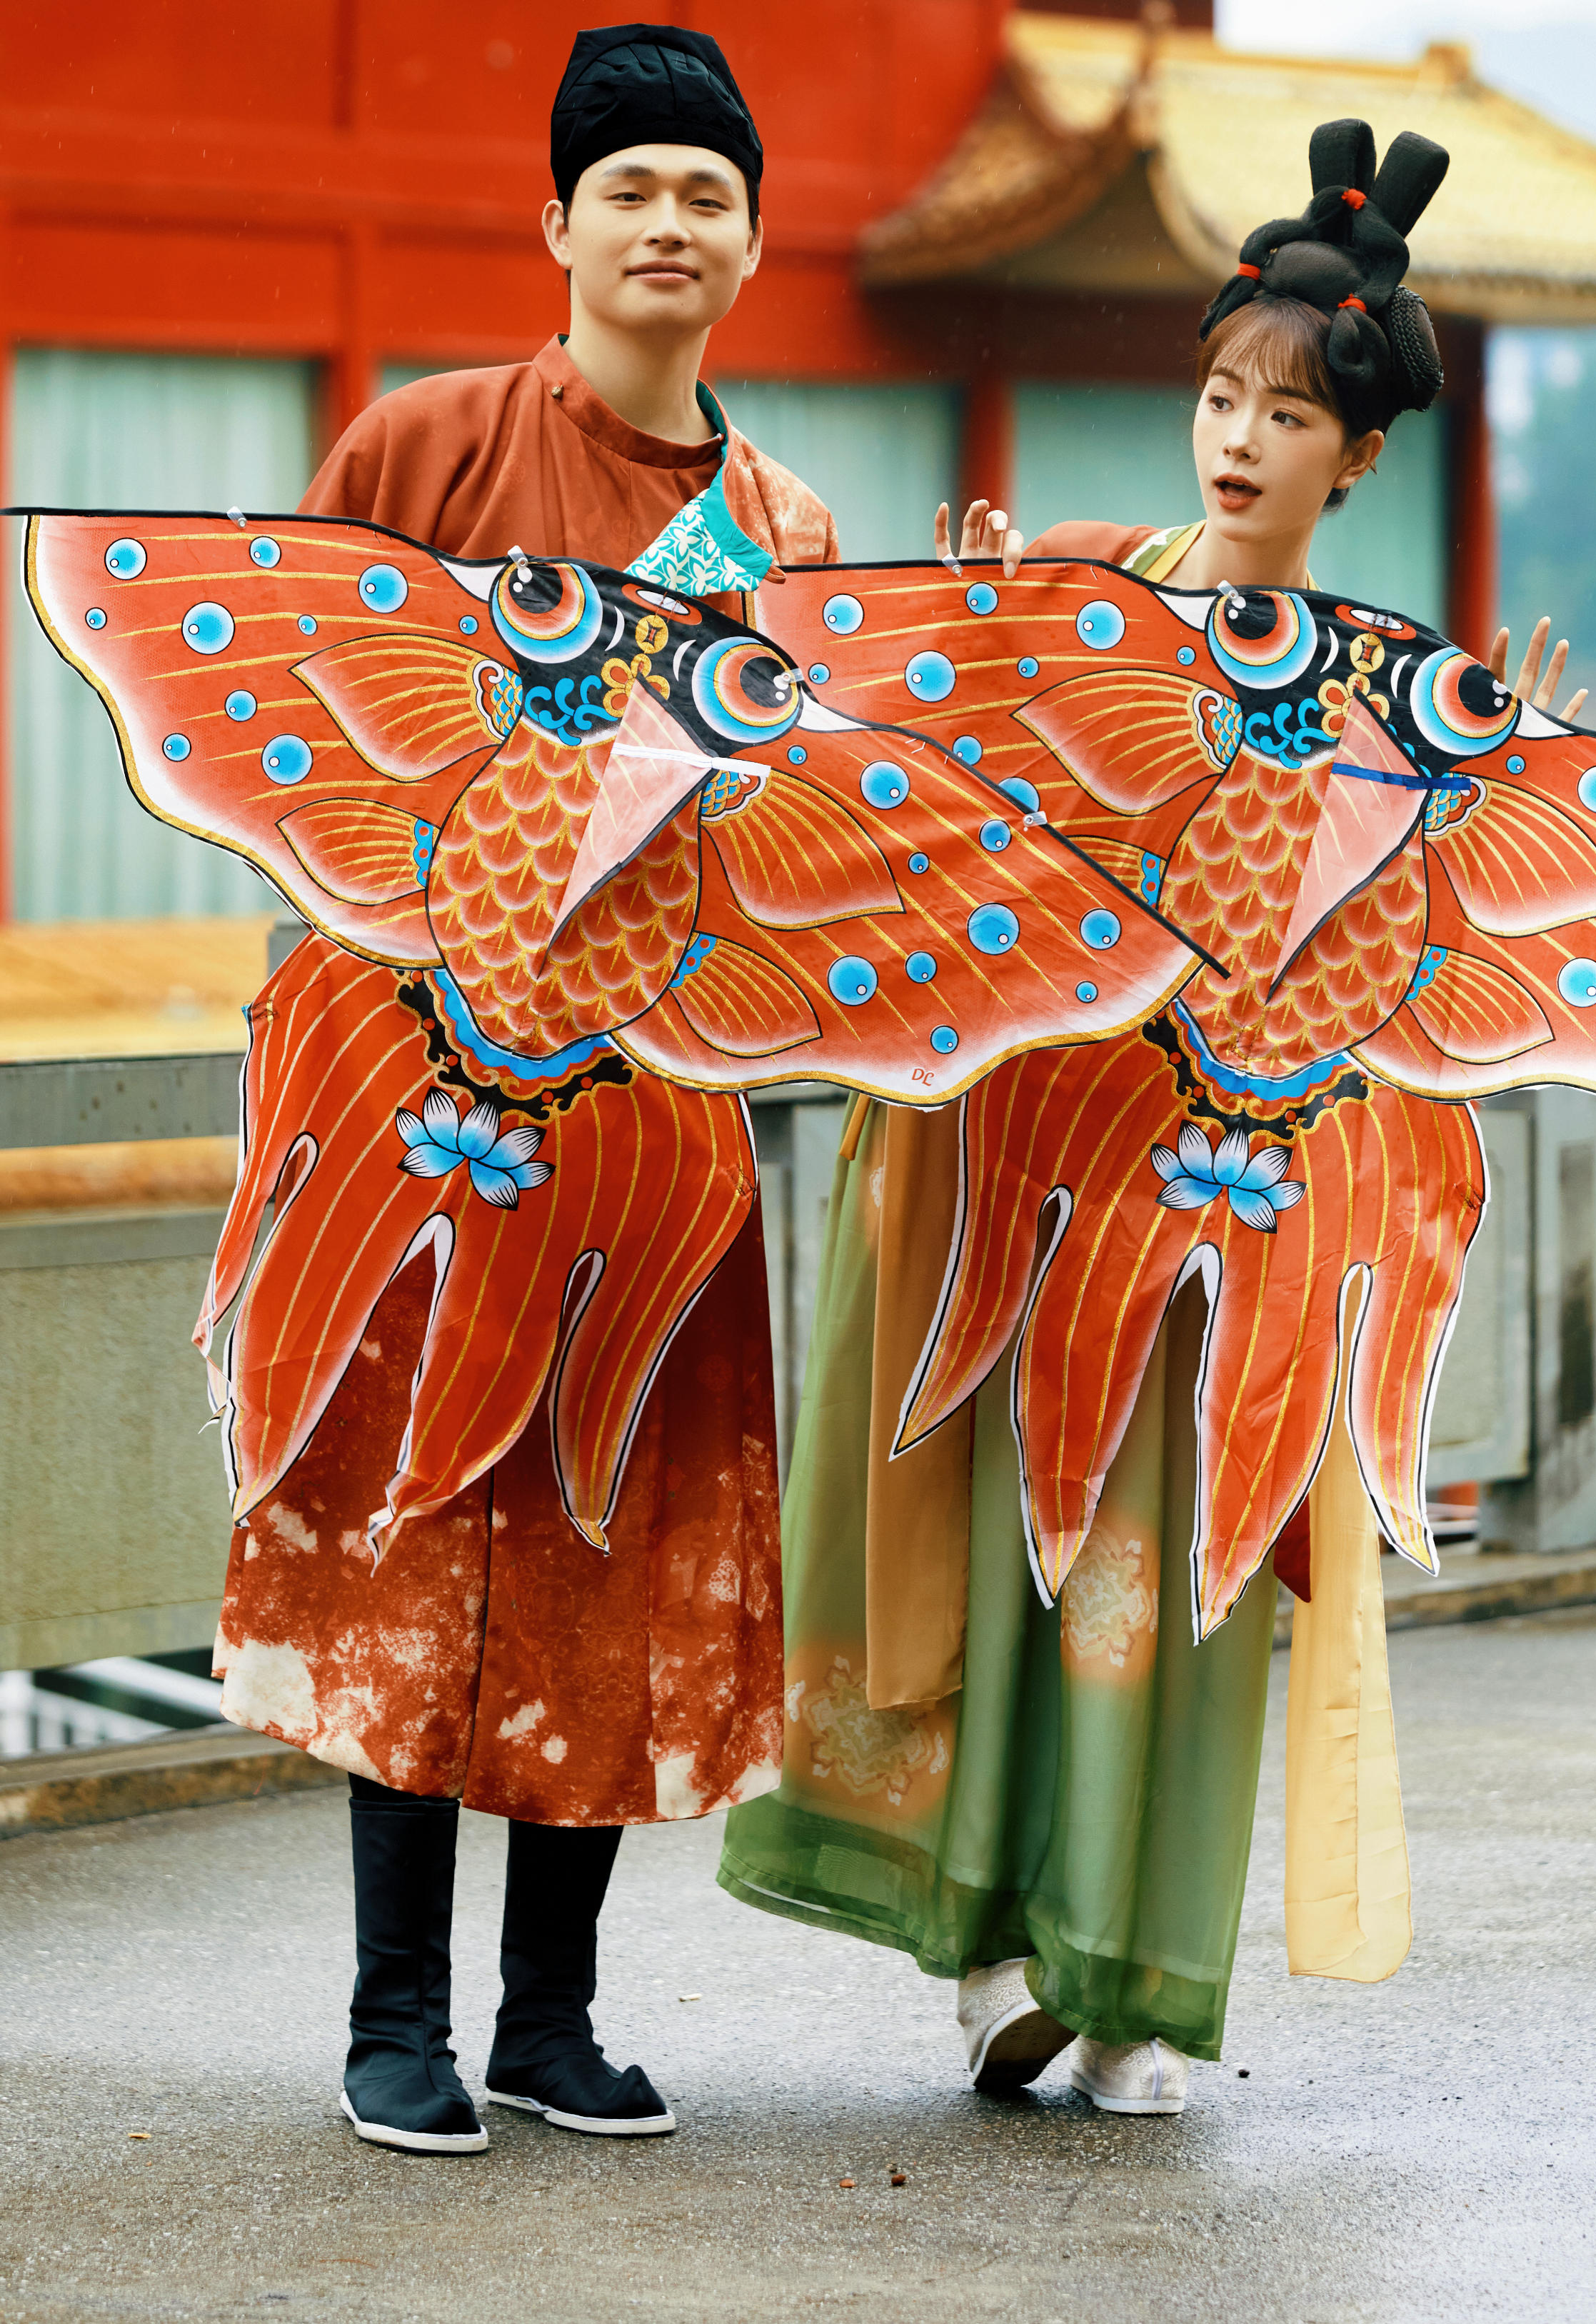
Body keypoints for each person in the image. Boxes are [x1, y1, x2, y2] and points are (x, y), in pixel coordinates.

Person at [718, 119, 1585, 2117]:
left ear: (1359, 461)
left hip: (1225, 1205)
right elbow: (902, 814)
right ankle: (1001, 1951)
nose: (1242, 437)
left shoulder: (1393, 692)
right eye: (1220, 394)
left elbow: (1414, 967)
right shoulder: (1082, 595)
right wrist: (953, 655)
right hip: (1034, 1176)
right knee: (1017, 1580)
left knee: (1170, 1600)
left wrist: (1495, 798)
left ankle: (1144, 1982)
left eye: (1291, 415)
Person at [214, 21, 838, 2153]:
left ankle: (549, 2015)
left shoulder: (787, 524)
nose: (670, 224)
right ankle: (398, 2016)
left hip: (653, 1121)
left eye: (708, 194)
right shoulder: (422, 446)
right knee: (419, 1535)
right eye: (632, 188)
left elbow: (800, 851)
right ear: (557, 224)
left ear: (755, 245)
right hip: (431, 1093)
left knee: (607, 1530)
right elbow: (292, 728)